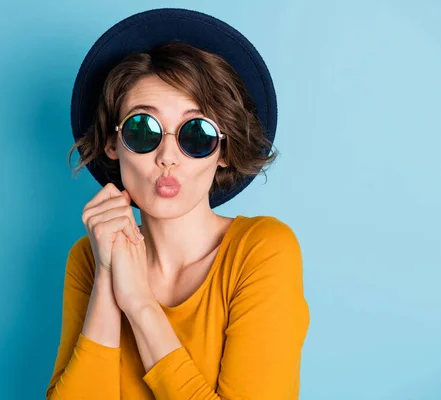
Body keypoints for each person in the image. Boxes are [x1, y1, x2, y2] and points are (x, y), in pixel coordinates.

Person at [46, 8, 310, 400]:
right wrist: (107, 276)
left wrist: (138, 304)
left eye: (196, 133)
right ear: (112, 144)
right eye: (142, 128)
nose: (168, 156)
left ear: (222, 150)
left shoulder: (262, 251)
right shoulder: (89, 258)